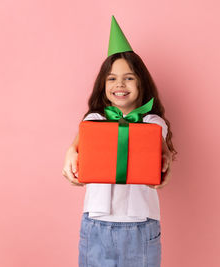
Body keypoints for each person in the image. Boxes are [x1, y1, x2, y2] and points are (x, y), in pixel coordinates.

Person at [62, 15, 177, 267]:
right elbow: (81, 139)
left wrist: (166, 156)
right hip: (96, 223)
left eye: (129, 77)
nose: (120, 84)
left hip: (141, 225)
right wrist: (71, 151)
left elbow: (159, 144)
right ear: (103, 85)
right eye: (112, 78)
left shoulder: (153, 122)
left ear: (141, 83)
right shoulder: (94, 119)